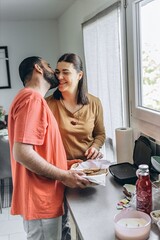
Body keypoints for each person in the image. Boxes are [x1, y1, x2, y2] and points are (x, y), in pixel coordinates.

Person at [8, 56, 90, 240]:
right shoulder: (32, 99)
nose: (54, 72)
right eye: (49, 66)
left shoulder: (32, 99)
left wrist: (65, 164)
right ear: (38, 68)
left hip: (47, 197)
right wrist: (63, 175)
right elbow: (22, 153)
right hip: (40, 200)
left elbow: (38, 150)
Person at [46, 53, 106, 240]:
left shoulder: (94, 103)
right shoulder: (48, 104)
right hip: (60, 172)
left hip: (88, 172)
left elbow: (100, 134)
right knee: (62, 223)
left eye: (66, 72)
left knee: (91, 223)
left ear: (79, 75)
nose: (59, 77)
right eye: (57, 72)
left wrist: (95, 146)